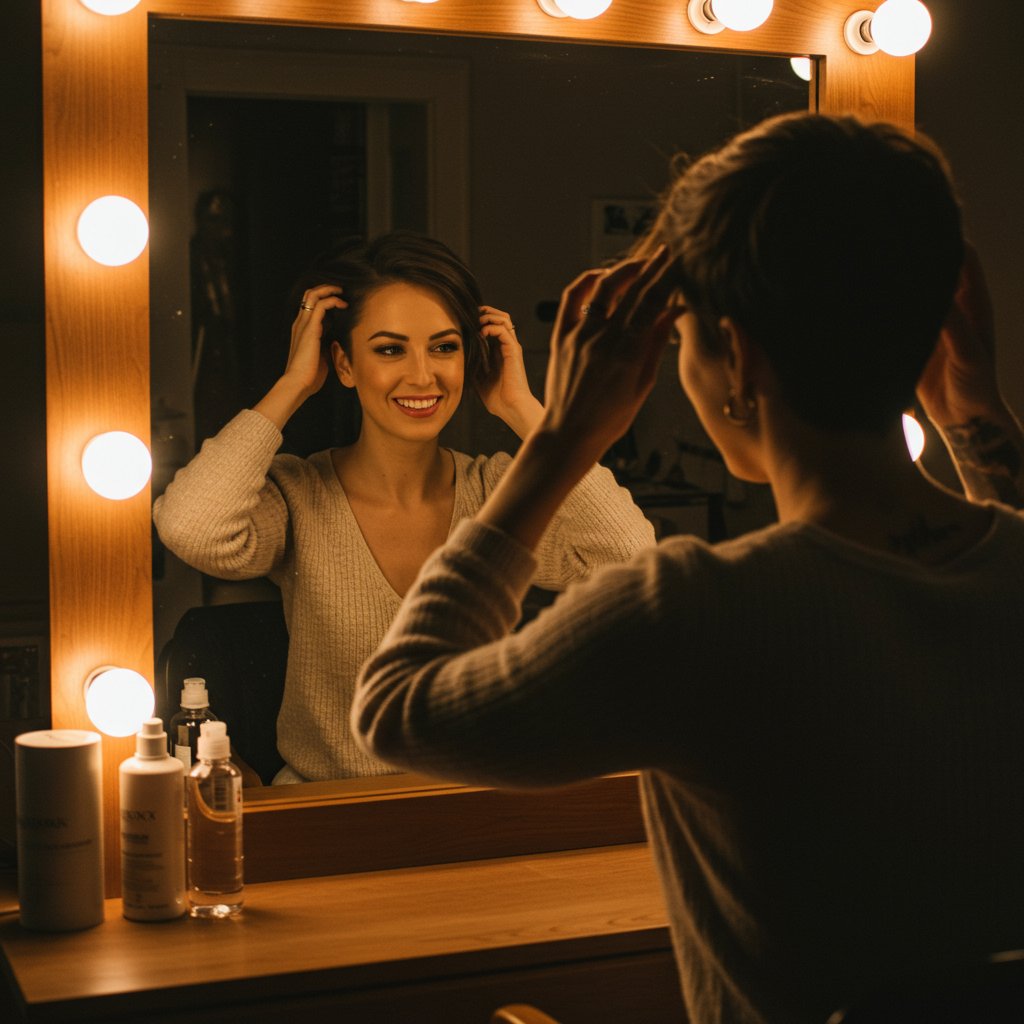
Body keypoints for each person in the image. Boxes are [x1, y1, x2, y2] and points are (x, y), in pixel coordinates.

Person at [352, 115, 1024, 1024]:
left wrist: (556, 444)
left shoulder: (702, 615)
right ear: (951, 310)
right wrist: (977, 410)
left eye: (683, 342)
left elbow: (397, 711)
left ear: (735, 355)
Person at [154, 231, 655, 784]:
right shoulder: (299, 496)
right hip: (327, 817)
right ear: (343, 364)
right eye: (390, 349)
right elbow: (190, 525)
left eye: (444, 347)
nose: (423, 376)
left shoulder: (500, 493)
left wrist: (522, 408)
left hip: (477, 812)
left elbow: (630, 558)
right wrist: (294, 384)